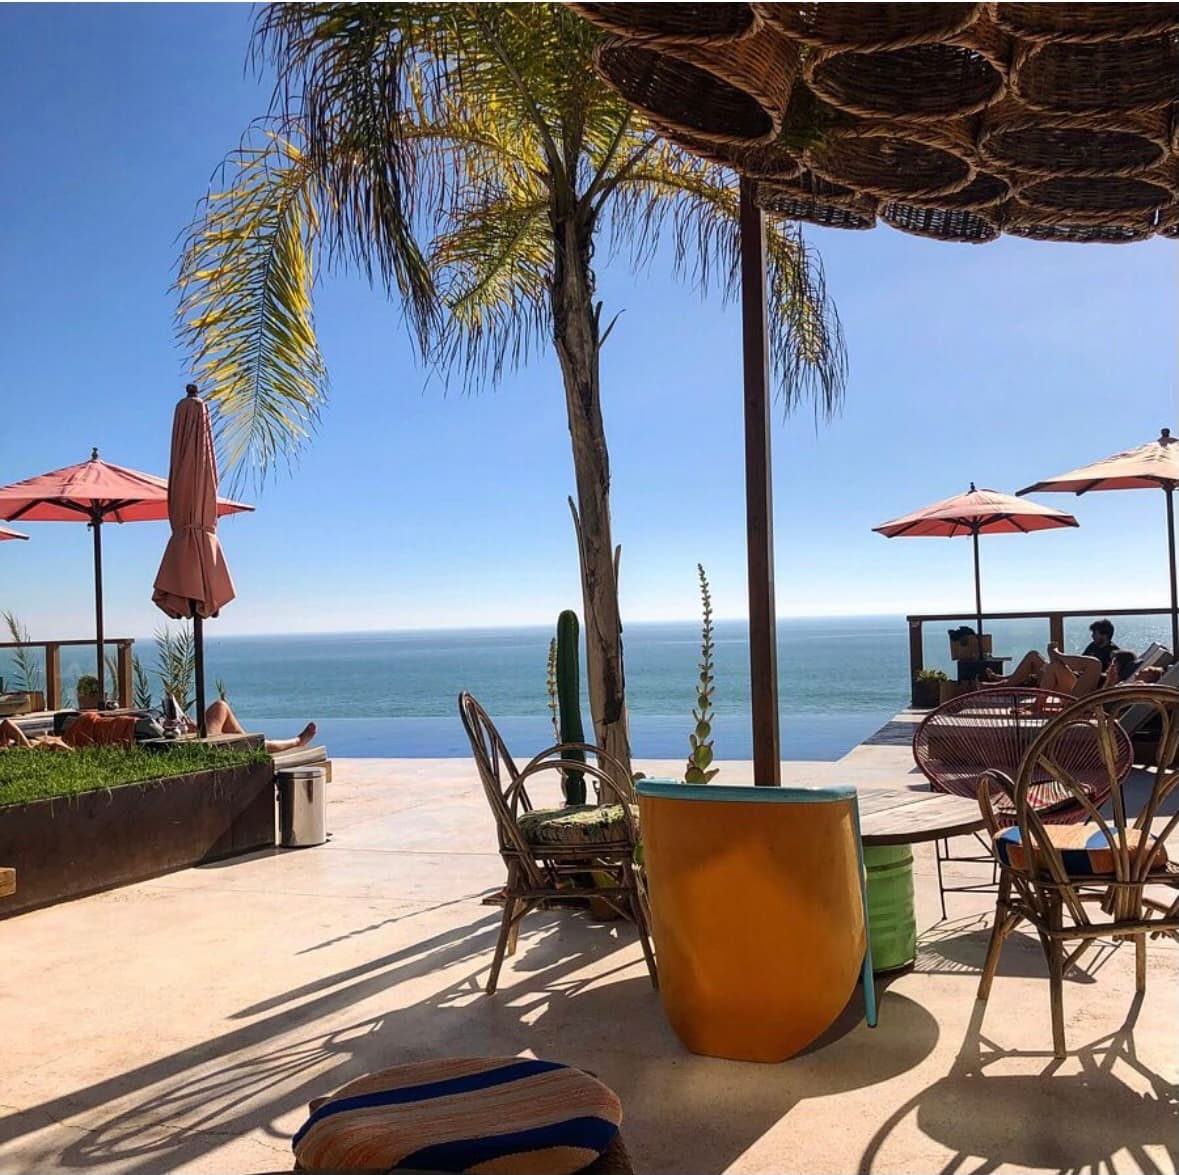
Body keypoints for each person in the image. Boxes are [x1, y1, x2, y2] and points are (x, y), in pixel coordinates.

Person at [181, 698, 317, 754]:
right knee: (220, 707)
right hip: (204, 749)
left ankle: (252, 744)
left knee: (220, 707)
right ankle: (296, 742)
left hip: (189, 739)